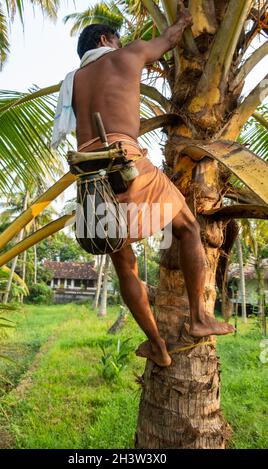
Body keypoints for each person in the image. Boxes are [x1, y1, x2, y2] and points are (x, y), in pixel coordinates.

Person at [69, 3, 234, 367]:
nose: (121, 42)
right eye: (117, 38)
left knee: (123, 264)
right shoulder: (126, 56)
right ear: (104, 39)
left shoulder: (76, 80)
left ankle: (157, 345)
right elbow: (168, 39)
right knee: (189, 227)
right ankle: (199, 318)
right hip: (125, 162)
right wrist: (184, 20)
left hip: (91, 179)